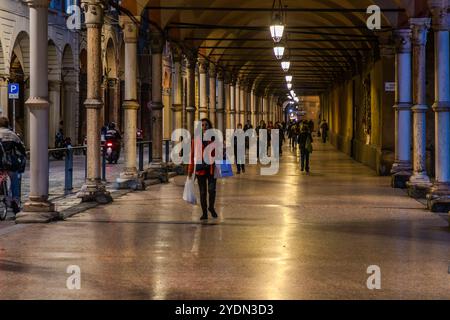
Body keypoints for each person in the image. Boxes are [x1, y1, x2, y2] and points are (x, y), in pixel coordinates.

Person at [188, 118, 218, 220]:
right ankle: (204, 212)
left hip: (211, 168)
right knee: (202, 192)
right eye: (202, 125)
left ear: (209, 127)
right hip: (200, 169)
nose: (204, 127)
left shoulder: (214, 138)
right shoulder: (195, 139)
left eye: (206, 125)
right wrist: (190, 170)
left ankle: (211, 207)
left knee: (212, 190)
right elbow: (192, 155)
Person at [0, 117, 26, 214]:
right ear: (7, 124)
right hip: (9, 163)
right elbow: (22, 148)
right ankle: (15, 200)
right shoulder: (12, 135)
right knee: (14, 179)